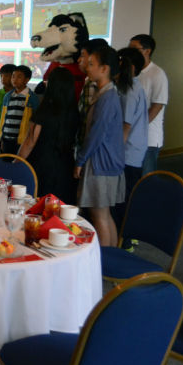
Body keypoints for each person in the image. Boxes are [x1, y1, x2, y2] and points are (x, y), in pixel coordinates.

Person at [74, 46, 125, 247]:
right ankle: (111, 259)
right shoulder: (105, 93)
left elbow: (96, 134)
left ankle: (104, 265)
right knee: (103, 214)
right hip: (105, 162)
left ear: (105, 69)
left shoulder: (108, 96)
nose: (87, 67)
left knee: (99, 215)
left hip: (101, 163)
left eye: (92, 64)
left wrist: (80, 160)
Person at [17, 67, 79, 204]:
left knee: (37, 206)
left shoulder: (44, 110)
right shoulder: (75, 112)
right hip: (65, 167)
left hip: (42, 165)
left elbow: (30, 141)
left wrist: (17, 162)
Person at [113, 47, 148, 241]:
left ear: (131, 67)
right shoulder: (132, 86)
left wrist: (115, 156)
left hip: (127, 154)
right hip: (130, 152)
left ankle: (123, 241)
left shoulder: (130, 90)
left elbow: (125, 127)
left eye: (120, 62)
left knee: (122, 201)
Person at [129, 34, 168, 175]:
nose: (130, 52)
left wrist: (137, 128)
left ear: (147, 51)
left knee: (145, 179)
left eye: (134, 48)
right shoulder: (133, 72)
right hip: (132, 138)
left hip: (149, 139)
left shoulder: (157, 74)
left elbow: (157, 105)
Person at [76, 38, 109, 151]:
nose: (79, 60)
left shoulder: (101, 86)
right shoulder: (88, 81)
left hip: (92, 148)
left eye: (83, 55)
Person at [0, 65, 39, 155]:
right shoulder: (8, 96)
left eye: (19, 77)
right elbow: (3, 118)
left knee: (18, 165)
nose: (14, 79)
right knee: (6, 163)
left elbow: (36, 120)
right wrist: (2, 138)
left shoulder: (32, 98)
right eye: (13, 76)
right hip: (7, 138)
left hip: (22, 141)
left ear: (27, 80)